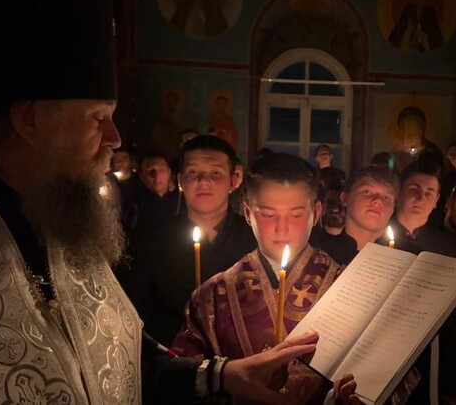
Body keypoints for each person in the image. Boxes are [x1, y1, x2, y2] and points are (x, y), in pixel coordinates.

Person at [0, 0, 329, 404]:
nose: (115, 138)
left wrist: (225, 375)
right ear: (29, 121)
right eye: (97, 117)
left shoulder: (60, 223)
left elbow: (122, 358)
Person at [171, 153, 342, 404]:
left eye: (295, 215)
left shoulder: (347, 287)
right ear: (248, 212)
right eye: (268, 214)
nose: (281, 228)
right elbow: (182, 378)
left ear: (316, 213)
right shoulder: (212, 297)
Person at [124, 135, 257, 346]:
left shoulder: (256, 240)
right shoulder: (152, 243)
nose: (204, 181)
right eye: (193, 172)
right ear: (180, 180)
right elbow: (135, 316)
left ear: (233, 181)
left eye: (215, 172)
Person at [313, 165, 399, 265]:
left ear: (393, 208)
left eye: (386, 197)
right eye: (367, 192)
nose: (378, 200)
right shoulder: (318, 258)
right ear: (344, 198)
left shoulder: (409, 259)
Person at [134, 153, 180, 234]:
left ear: (169, 173)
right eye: (151, 171)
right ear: (141, 176)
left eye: (161, 169)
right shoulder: (134, 206)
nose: (156, 175)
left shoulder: (182, 202)